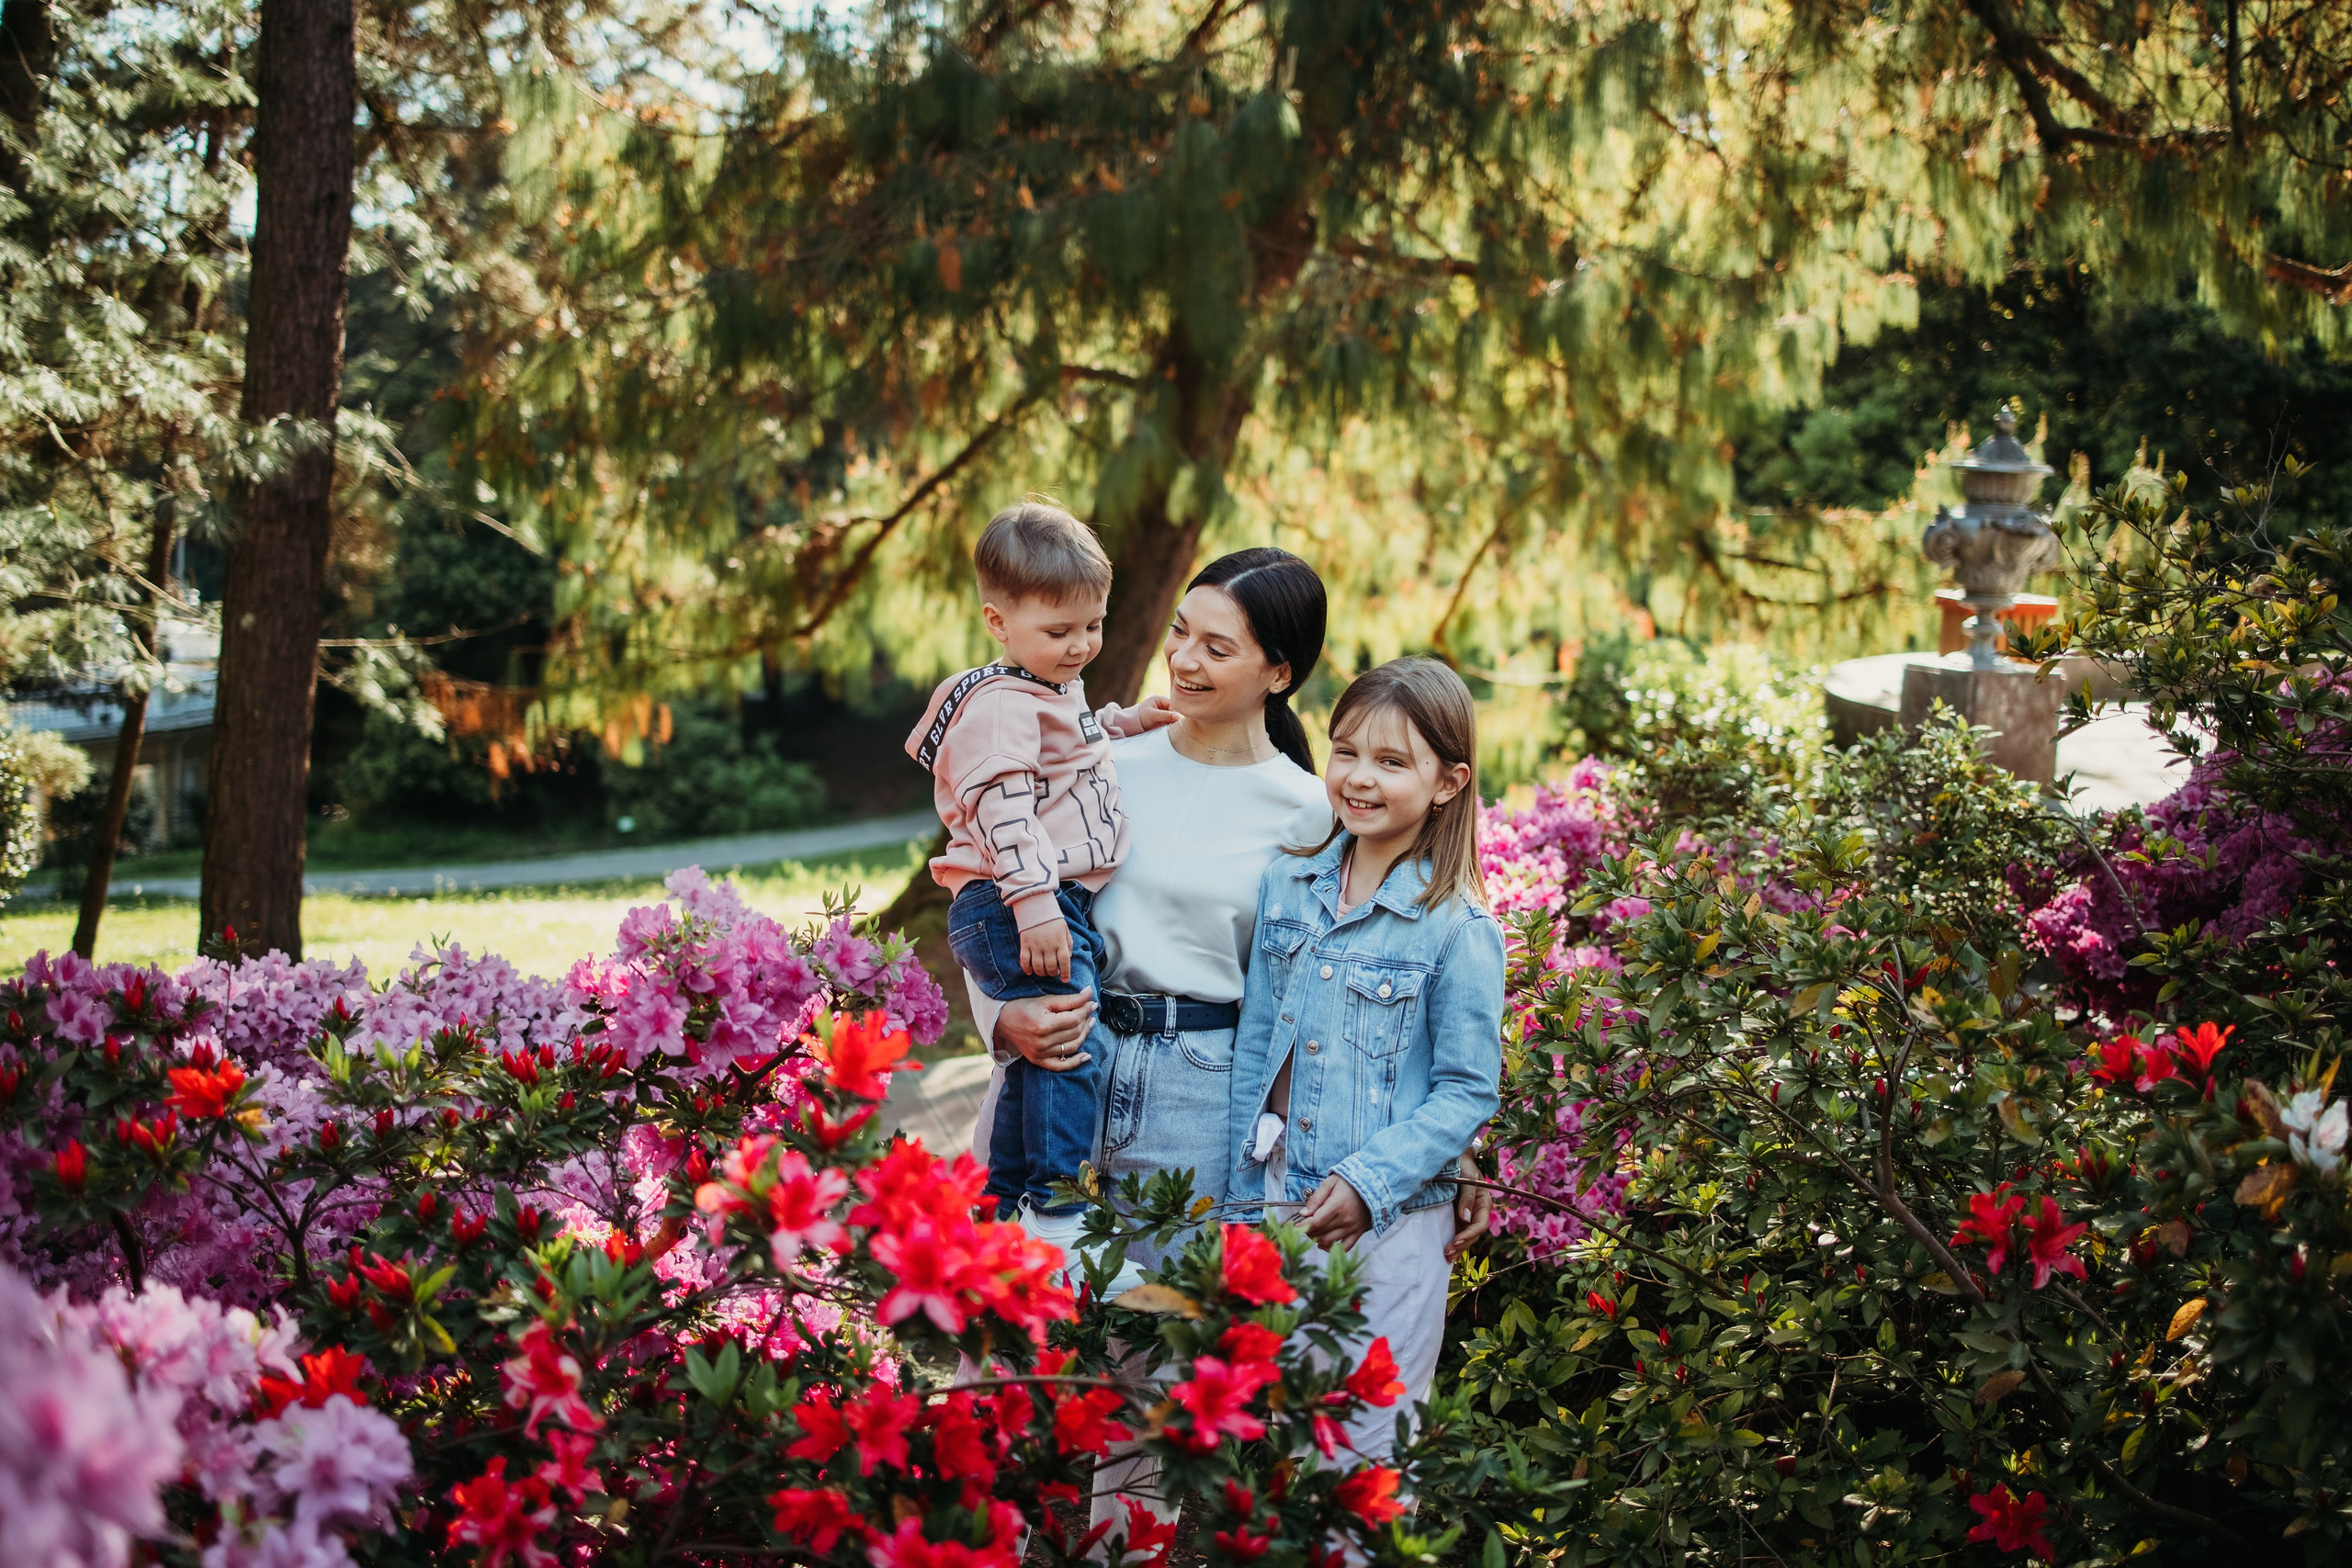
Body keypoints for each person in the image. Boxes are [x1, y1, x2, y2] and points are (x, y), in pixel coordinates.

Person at [966, 556, 1494, 1540]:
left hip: (1200, 1104)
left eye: (1218, 647)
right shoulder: (1098, 764)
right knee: (1000, 1368)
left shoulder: (1309, 816)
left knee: (1144, 1392)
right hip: (1057, 1073)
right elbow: (990, 897)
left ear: (1278, 673)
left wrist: (1438, 1148)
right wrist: (999, 1018)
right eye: (1180, 633)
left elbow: (1338, 995)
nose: (1184, 661)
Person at [1228, 657, 1506, 1472]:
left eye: (1392, 761)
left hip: (1391, 1226)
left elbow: (1466, 1088)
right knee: (1283, 1445)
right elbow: (1256, 1049)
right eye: (1346, 751)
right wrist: (1238, 1202)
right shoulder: (1289, 882)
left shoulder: (1457, 928)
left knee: (1365, 1455)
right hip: (1278, 1193)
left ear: (1449, 781)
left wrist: (1369, 1181)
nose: (1359, 777)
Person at [907, 502, 1130, 1246]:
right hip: (1017, 899)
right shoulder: (1000, 706)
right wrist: (1036, 906)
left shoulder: (1042, 688)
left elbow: (1076, 746)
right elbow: (1008, 816)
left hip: (1022, 898)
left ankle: (1001, 1199)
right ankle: (1060, 1203)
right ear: (998, 621)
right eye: (1059, 631)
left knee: (1041, 1060)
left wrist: (1131, 721)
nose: (1080, 646)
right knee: (1071, 1046)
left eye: (1092, 626)